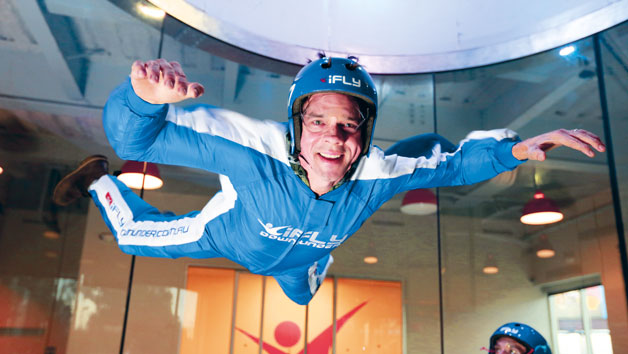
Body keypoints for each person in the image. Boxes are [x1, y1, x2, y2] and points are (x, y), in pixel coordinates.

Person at [53, 57, 605, 305]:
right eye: (318, 122)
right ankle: (101, 183)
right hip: (226, 235)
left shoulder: (378, 170)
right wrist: (143, 99)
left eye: (349, 124)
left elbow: (457, 164)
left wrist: (515, 150)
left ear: (366, 131)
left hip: (302, 261)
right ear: (296, 125)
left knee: (300, 301)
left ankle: (315, 264)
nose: (333, 140)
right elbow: (137, 141)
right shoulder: (253, 146)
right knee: (131, 237)